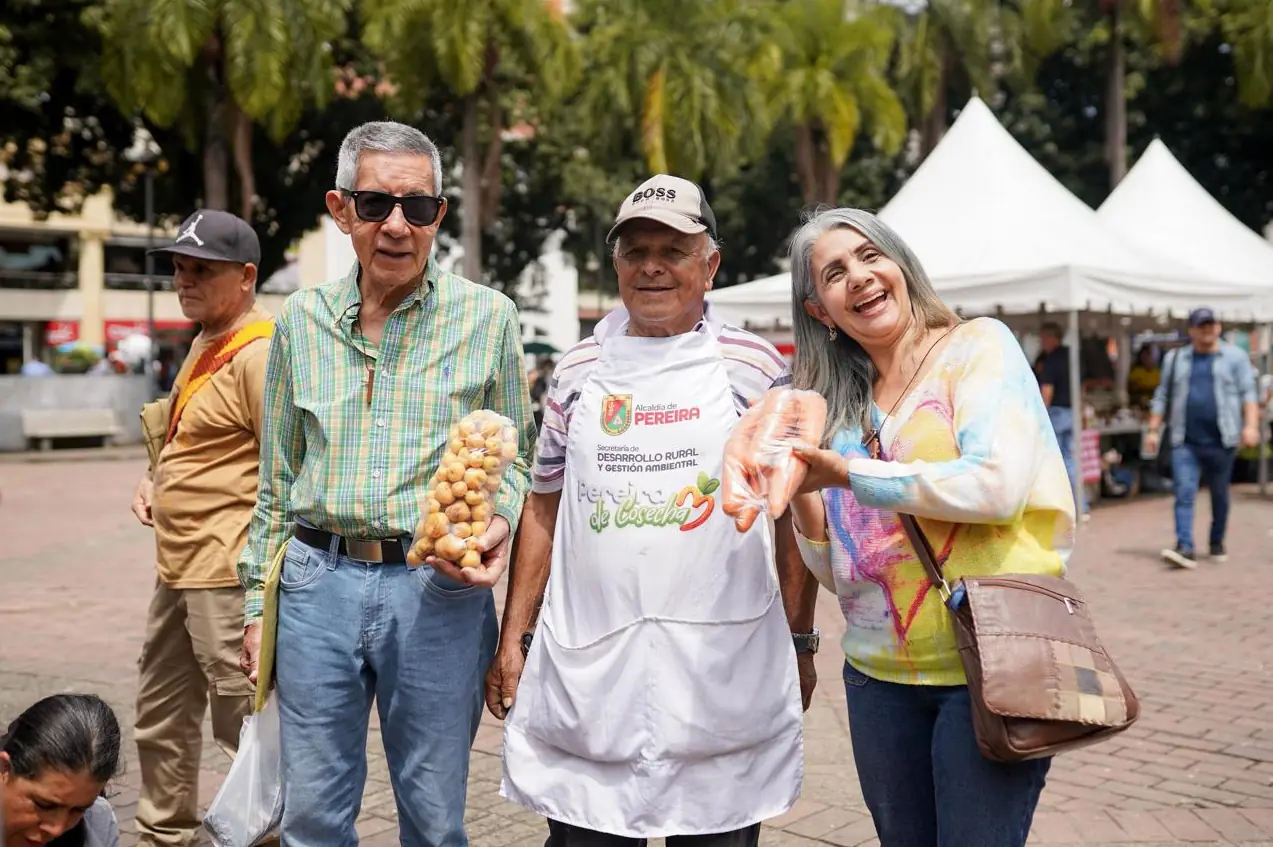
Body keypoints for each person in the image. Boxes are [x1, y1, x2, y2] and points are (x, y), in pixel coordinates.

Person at [491, 174, 817, 847]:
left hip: (717, 671)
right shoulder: (577, 368)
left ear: (709, 264)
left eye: (672, 249)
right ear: (614, 264)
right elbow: (544, 503)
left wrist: (799, 637)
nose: (651, 266)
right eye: (634, 250)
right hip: (593, 668)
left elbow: (791, 514)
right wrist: (512, 638)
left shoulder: (755, 366)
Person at [237, 121, 535, 847]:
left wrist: (492, 524)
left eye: (418, 207)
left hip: (436, 589)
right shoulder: (300, 322)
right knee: (312, 815)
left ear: (438, 212)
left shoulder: (487, 317)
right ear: (342, 212)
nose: (396, 226)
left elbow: (516, 460)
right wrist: (255, 605)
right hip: (313, 584)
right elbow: (276, 480)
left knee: (433, 816)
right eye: (375, 206)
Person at [784, 208, 1074, 847]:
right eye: (835, 273)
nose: (859, 277)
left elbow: (995, 488)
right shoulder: (839, 404)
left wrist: (844, 474)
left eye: (869, 256)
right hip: (876, 680)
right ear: (820, 312)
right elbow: (844, 580)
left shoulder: (978, 347)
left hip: (991, 663)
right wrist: (799, 486)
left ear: (901, 265)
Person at [127, 209, 273, 847]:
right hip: (177, 565)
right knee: (160, 712)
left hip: (226, 570)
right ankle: (165, 832)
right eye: (180, 268)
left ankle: (266, 834)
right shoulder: (204, 340)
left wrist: (264, 596)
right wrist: (151, 477)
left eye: (201, 271)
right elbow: (192, 436)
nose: (185, 281)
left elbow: (282, 470)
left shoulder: (260, 351)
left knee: (240, 722)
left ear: (244, 276)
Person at [1144, 308, 1261, 568]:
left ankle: (1217, 540)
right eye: (1202, 325)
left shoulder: (1236, 358)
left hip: (1222, 439)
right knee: (1184, 491)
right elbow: (1162, 395)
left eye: (1211, 324)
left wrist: (1251, 426)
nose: (1208, 329)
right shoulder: (1176, 359)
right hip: (1184, 439)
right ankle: (1185, 546)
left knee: (1220, 495)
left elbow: (1249, 395)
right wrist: (1153, 430)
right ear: (1192, 330)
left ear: (1218, 327)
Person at [2, 694, 122, 847]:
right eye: (44, 805)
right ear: (4, 768)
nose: (57, 829)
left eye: (78, 810)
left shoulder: (96, 823)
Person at [1034, 322, 1084, 515]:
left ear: (1052, 337)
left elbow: (1047, 389)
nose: (1041, 342)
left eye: (1043, 338)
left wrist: (1040, 415)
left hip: (1058, 413)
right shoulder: (1072, 356)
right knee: (1071, 459)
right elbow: (1081, 384)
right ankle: (1080, 504)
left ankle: (1070, 505)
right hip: (1073, 411)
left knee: (1059, 460)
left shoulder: (1052, 360)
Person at [1126, 344, 1161, 411]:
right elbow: (1132, 388)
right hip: (1139, 405)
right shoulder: (1136, 372)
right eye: (1143, 357)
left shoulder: (1158, 373)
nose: (1145, 359)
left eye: (1148, 356)